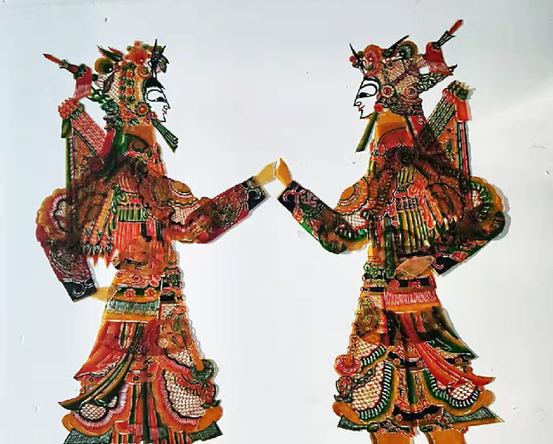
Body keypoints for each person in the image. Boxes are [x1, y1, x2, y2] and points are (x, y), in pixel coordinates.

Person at [275, 21, 505, 444]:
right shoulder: (392, 176)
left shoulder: (406, 172)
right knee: (400, 406)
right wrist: (291, 191)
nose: (358, 102)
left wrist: (290, 191)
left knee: (405, 407)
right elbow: (346, 233)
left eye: (366, 91)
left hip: (399, 297)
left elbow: (342, 235)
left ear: (387, 97)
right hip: (389, 297)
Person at [37, 41, 274, 444]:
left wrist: (87, 289)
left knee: (158, 399)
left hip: (160, 296)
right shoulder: (129, 174)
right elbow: (195, 222)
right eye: (155, 96)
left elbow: (191, 221)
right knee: (139, 396)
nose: (164, 105)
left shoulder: (135, 173)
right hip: (139, 299)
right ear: (136, 103)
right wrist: (259, 185)